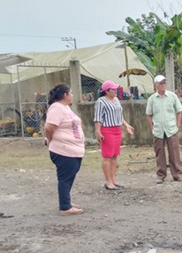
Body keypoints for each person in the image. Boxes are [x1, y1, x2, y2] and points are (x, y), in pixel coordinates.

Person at [44, 83, 85, 216]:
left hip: (73, 150)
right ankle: (65, 207)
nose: (72, 95)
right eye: (71, 93)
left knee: (70, 176)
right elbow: (49, 127)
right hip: (63, 150)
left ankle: (66, 202)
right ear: (65, 95)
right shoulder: (56, 108)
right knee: (65, 179)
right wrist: (49, 140)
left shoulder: (65, 107)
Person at [94, 80, 134, 190]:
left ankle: (113, 180)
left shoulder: (116, 100)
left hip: (117, 130)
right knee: (107, 156)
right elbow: (98, 118)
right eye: (113, 89)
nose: (116, 91)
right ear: (107, 91)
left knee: (114, 156)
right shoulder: (101, 102)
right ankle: (108, 182)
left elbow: (119, 116)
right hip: (107, 130)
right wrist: (98, 131)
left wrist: (126, 125)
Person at [146, 75, 182, 184]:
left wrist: (177, 125)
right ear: (156, 85)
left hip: (171, 128)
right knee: (159, 153)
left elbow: (179, 111)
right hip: (158, 129)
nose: (163, 85)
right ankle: (160, 175)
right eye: (160, 83)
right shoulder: (152, 99)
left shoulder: (172, 96)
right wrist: (152, 128)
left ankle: (177, 174)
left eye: (164, 83)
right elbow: (149, 114)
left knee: (174, 152)